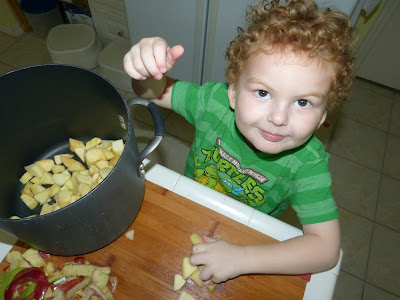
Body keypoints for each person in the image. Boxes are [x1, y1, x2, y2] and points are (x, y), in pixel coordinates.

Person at [123, 0, 354, 284]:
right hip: (189, 204)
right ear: (233, 93)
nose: (279, 118)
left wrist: (242, 258)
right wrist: (146, 69)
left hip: (243, 237)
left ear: (322, 118)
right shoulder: (213, 103)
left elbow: (326, 250)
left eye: (303, 101)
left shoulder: (308, 165)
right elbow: (153, 92)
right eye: (263, 93)